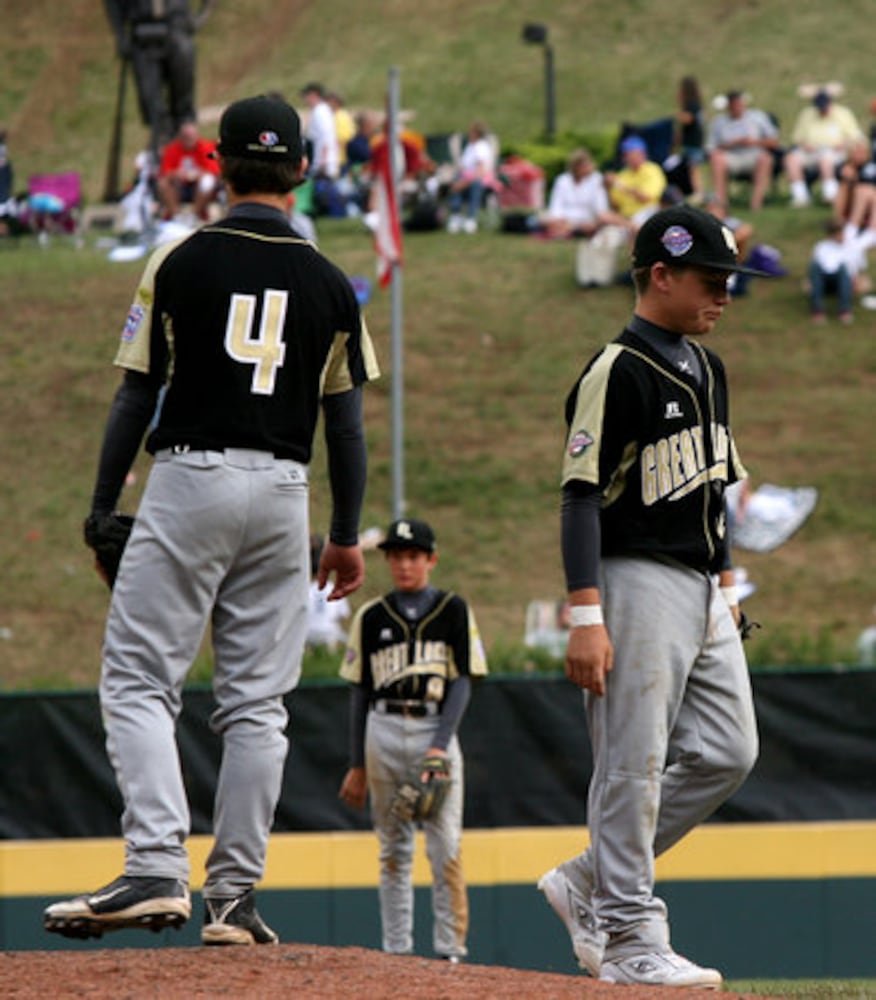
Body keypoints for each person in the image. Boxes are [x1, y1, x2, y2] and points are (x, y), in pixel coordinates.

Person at [43, 94, 379, 946]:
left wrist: (100, 504)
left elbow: (135, 393)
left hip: (191, 477)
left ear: (219, 166)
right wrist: (344, 531)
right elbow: (345, 421)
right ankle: (234, 898)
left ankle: (157, 864)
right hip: (283, 491)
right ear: (302, 170)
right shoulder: (332, 283)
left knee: (137, 678)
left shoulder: (179, 259)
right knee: (258, 704)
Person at [538, 205, 763, 988]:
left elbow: (713, 487)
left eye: (729, 279)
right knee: (632, 764)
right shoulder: (616, 369)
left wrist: (728, 579)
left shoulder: (710, 367)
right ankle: (631, 934)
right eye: (711, 278)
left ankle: (588, 879)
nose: (725, 294)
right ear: (660, 275)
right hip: (632, 580)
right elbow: (578, 497)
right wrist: (585, 613)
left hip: (701, 586)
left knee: (730, 751)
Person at [338, 518, 488, 961]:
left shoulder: (453, 609)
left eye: (413, 556)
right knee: (392, 848)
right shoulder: (371, 616)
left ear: (430, 559)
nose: (404, 564)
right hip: (381, 731)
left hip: (433, 729)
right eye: (396, 556)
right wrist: (357, 763)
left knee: (446, 845)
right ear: (387, 561)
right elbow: (360, 692)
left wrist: (440, 745)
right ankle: (397, 954)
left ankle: (450, 951)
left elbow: (462, 681)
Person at [103, 0, 215, 156]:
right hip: (142, 30)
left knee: (183, 99)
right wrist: (120, 34)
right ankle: (162, 147)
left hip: (177, 25)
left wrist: (200, 17)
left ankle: (188, 150)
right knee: (150, 100)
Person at [785, 89, 864, 207]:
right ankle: (800, 197)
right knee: (791, 159)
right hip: (810, 152)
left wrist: (844, 143)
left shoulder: (843, 113)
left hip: (836, 152)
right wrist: (804, 145)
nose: (822, 110)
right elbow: (797, 138)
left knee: (825, 159)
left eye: (824, 106)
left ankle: (830, 195)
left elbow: (856, 136)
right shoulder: (807, 114)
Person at [708, 90, 780, 211]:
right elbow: (711, 148)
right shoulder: (719, 122)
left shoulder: (758, 117)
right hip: (730, 156)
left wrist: (754, 142)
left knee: (765, 158)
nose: (738, 108)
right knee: (717, 159)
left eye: (739, 104)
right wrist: (731, 144)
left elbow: (774, 142)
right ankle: (721, 203)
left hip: (754, 155)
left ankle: (756, 202)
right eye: (734, 105)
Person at [156, 118, 220, 221]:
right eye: (185, 137)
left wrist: (197, 175)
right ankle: (175, 216)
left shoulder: (205, 147)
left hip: (198, 187)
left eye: (191, 137)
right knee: (163, 183)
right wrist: (175, 174)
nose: (188, 140)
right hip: (180, 186)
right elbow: (164, 172)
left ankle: (194, 215)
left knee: (208, 181)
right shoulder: (172, 149)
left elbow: (214, 171)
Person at [603, 135, 666, 230]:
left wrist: (620, 185)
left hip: (648, 212)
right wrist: (607, 188)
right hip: (625, 217)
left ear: (642, 154)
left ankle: (634, 228)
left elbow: (645, 197)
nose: (627, 158)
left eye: (630, 154)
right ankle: (632, 227)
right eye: (626, 155)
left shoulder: (653, 170)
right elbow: (615, 205)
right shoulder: (622, 174)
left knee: (637, 221)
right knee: (605, 219)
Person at [446, 120, 497, 234]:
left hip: (478, 180)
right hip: (466, 177)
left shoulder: (481, 147)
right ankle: (456, 216)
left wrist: (463, 183)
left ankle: (471, 218)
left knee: (473, 184)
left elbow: (480, 172)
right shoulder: (470, 146)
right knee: (456, 182)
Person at [306, 534, 351, 650]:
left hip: (309, 633)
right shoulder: (334, 588)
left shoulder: (306, 589)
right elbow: (344, 615)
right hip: (329, 633)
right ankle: (330, 654)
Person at [808, 218, 855, 323]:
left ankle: (844, 310)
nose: (841, 237)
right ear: (831, 236)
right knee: (815, 266)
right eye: (838, 234)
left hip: (843, 283)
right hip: (824, 282)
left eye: (842, 234)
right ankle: (817, 310)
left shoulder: (850, 247)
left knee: (843, 269)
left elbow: (854, 269)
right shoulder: (821, 246)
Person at [675, 75, 706, 204]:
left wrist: (679, 115)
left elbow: (689, 119)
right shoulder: (696, 104)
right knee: (690, 169)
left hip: (693, 144)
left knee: (694, 170)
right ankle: (694, 192)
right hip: (692, 143)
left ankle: (698, 193)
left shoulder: (691, 105)